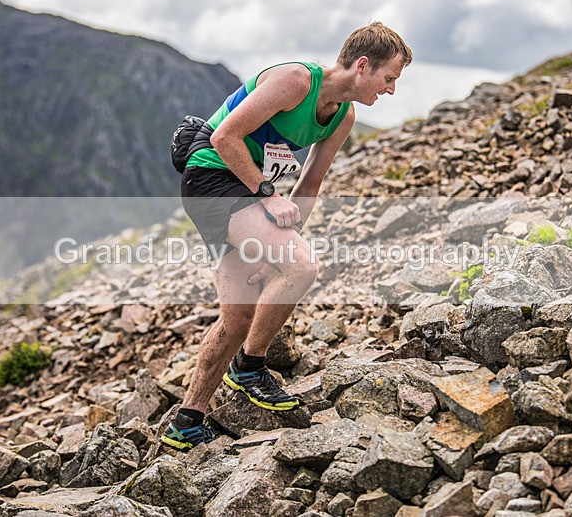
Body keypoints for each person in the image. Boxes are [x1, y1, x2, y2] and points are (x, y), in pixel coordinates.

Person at [161, 22, 412, 450]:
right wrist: (267, 197)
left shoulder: (343, 116)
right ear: (363, 66)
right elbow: (224, 138)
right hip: (211, 176)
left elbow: (309, 186)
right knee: (304, 265)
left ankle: (187, 422)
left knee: (239, 316)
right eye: (389, 78)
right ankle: (249, 368)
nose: (390, 90)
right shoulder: (296, 80)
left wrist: (280, 241)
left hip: (246, 194)